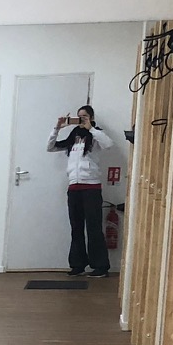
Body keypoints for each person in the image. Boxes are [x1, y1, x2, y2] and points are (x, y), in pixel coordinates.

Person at [49, 105, 115, 278]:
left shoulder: (96, 135)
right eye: (79, 116)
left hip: (91, 187)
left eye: (84, 116)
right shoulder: (73, 137)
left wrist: (91, 128)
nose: (81, 119)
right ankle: (78, 265)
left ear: (91, 117)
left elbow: (109, 144)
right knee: (76, 228)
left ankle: (100, 267)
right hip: (74, 188)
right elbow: (51, 147)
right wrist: (57, 128)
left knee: (94, 228)